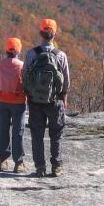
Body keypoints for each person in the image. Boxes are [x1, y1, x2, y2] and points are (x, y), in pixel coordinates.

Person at [23, 19, 70, 177]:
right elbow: (66, 80)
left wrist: (29, 94)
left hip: (35, 101)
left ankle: (40, 167)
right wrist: (64, 97)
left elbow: (25, 77)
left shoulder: (31, 54)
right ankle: (56, 166)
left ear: (40, 33)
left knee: (37, 134)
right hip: (55, 100)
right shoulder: (60, 55)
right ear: (54, 34)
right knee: (56, 134)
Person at [0, 37, 28, 173]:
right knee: (18, 132)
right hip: (18, 102)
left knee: (3, 130)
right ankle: (18, 163)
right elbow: (27, 84)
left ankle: (2, 161)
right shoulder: (22, 65)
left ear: (6, 49)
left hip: (2, 101)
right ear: (18, 50)